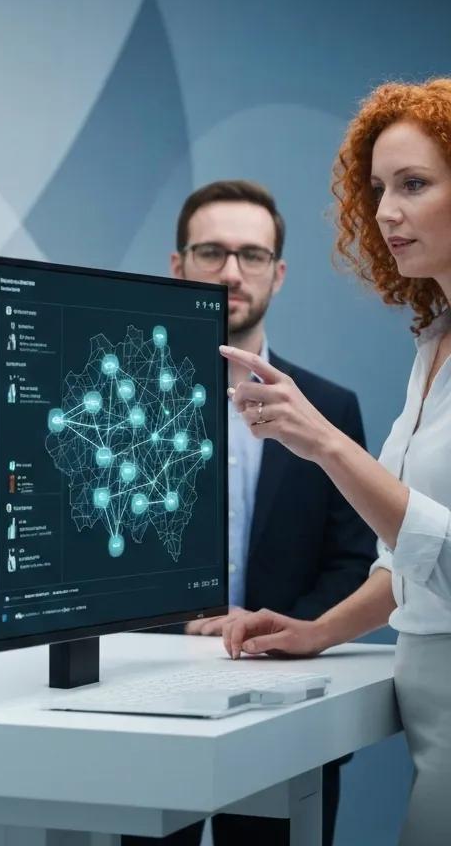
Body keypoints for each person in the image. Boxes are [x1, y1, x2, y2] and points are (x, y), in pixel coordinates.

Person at [222, 79, 451, 846]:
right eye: (379, 189)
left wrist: (325, 443)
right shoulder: (432, 345)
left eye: (413, 185)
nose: (385, 212)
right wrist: (319, 631)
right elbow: (412, 558)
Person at [126, 180, 375, 846]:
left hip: (287, 708)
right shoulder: (121, 408)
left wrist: (282, 633)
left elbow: (353, 560)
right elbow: (98, 558)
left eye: (252, 255)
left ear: (278, 273)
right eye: (211, 252)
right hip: (144, 703)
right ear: (178, 266)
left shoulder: (330, 409)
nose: (232, 272)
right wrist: (187, 622)